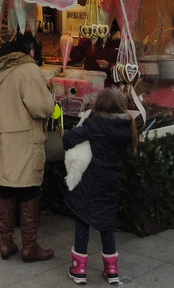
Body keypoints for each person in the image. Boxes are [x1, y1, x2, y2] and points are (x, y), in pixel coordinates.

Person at [0, 34, 58, 263]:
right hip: (23, 140)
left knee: (4, 188)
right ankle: (29, 247)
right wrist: (52, 101)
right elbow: (42, 107)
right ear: (31, 52)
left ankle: (6, 242)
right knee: (29, 189)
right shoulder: (27, 69)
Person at [63, 87, 138, 285]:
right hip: (113, 179)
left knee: (83, 216)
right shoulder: (127, 124)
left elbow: (68, 140)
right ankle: (112, 269)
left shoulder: (94, 123)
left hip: (93, 177)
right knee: (107, 221)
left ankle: (79, 269)